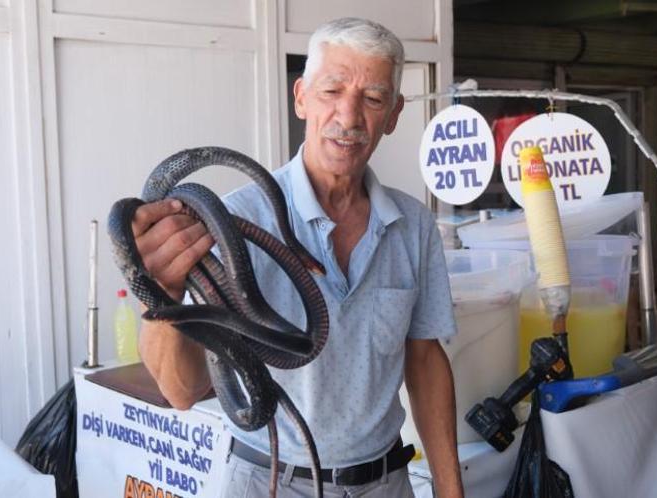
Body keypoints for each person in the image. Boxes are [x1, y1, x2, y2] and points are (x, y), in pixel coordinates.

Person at [132, 17, 464, 498]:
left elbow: (425, 359)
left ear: (393, 115)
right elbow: (182, 393)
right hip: (271, 482)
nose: (348, 117)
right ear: (301, 97)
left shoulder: (412, 225)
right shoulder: (231, 222)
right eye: (332, 90)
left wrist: (451, 492)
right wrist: (163, 298)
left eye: (372, 98)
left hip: (386, 483)